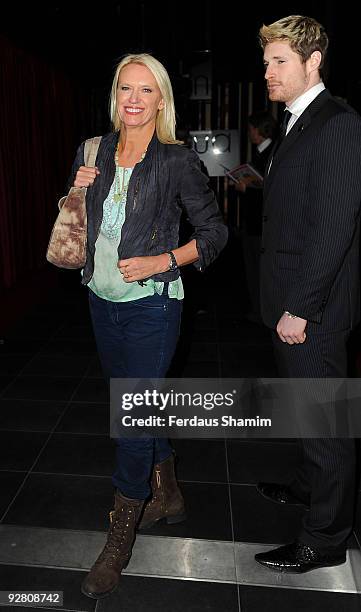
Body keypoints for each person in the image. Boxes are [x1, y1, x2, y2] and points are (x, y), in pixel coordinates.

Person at [66, 53, 228, 598]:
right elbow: (78, 224)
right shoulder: (93, 150)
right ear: (116, 94)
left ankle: (118, 538)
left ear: (162, 99)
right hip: (101, 300)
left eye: (146, 90)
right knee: (131, 404)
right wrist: (78, 190)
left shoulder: (177, 161)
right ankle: (171, 493)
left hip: (154, 304)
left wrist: (163, 261)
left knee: (130, 420)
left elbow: (214, 234)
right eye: (125, 88)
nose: (134, 99)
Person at [255, 15, 361, 572]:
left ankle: (325, 539)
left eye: (280, 62)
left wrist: (301, 307)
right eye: (266, 61)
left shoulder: (337, 122)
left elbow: (335, 226)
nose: (267, 72)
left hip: (311, 311)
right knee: (306, 412)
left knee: (328, 425)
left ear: (313, 60)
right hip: (290, 302)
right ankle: (306, 485)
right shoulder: (299, 122)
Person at [235, 111, 277, 323]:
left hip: (261, 225)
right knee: (254, 270)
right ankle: (259, 310)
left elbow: (272, 189)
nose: (249, 132)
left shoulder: (272, 152)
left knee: (259, 271)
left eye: (251, 128)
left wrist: (247, 188)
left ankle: (262, 312)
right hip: (254, 223)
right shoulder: (263, 152)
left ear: (259, 129)